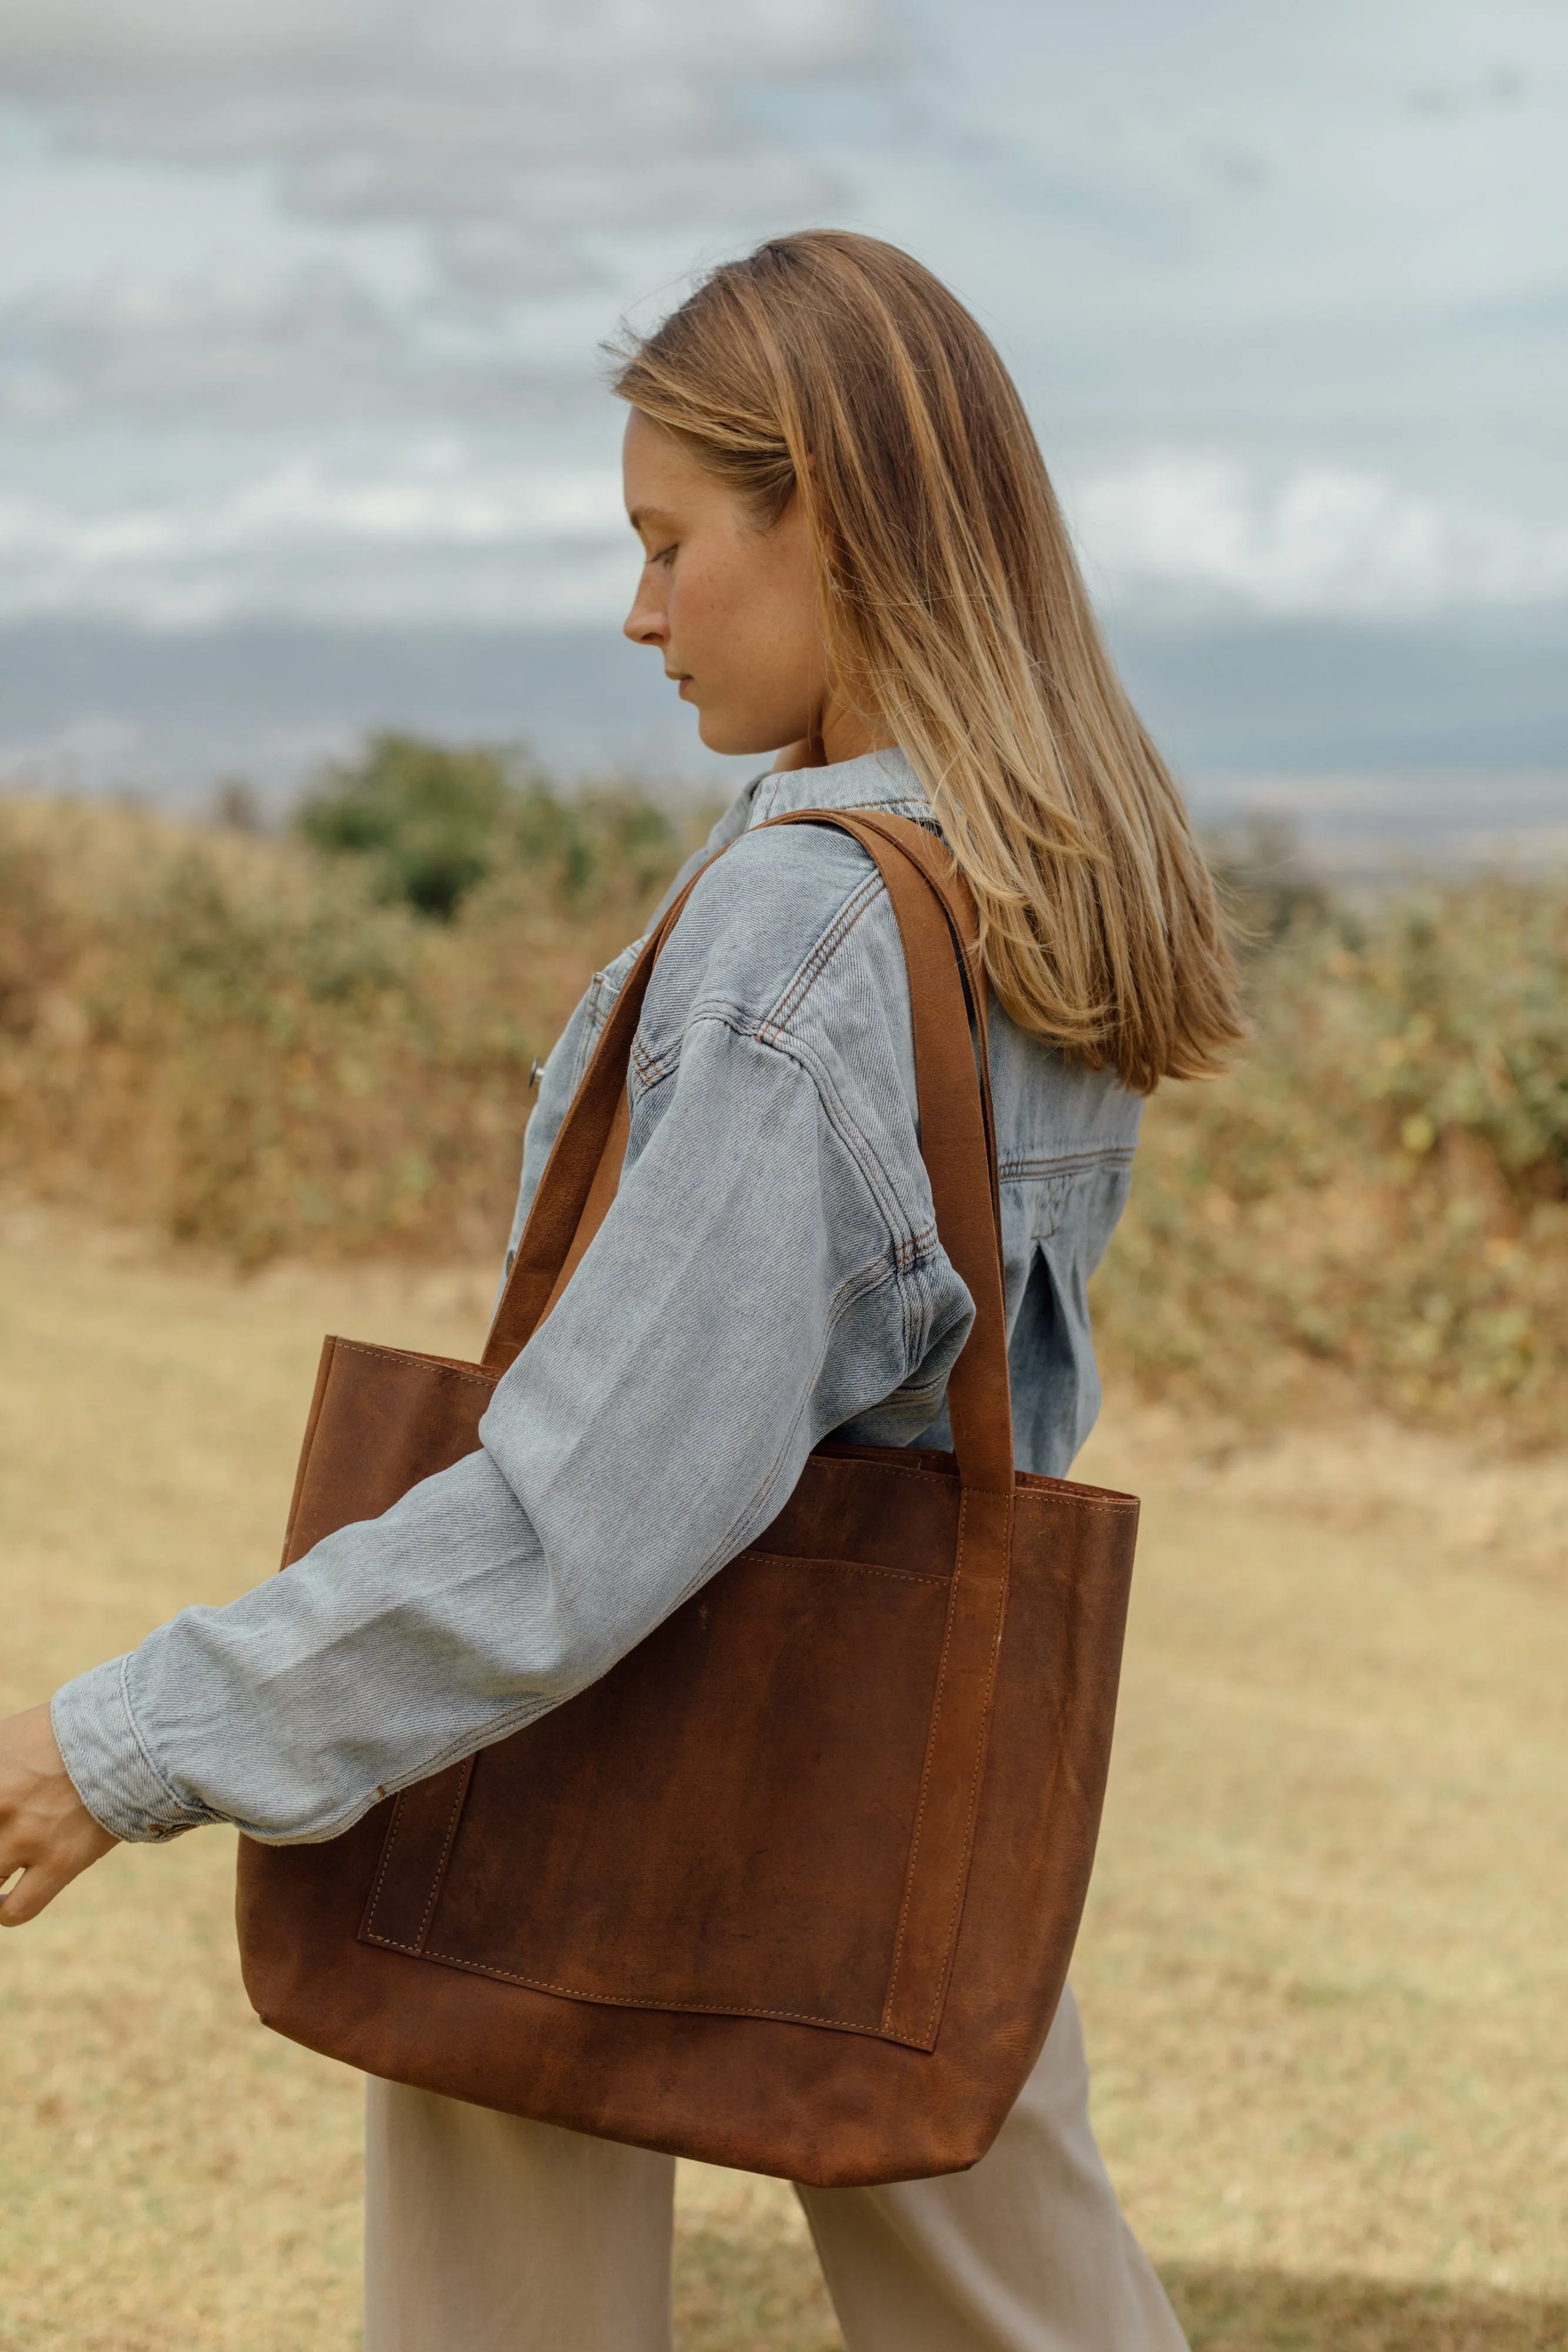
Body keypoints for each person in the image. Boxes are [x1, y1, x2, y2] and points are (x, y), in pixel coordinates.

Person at [0, 231, 1245, 2351]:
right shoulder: (1032, 874)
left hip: (587, 1729)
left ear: (829, 512)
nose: (642, 611)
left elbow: (585, 1525)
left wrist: (124, 1744)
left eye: (674, 543)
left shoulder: (808, 924)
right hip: (910, 1747)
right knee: (1023, 2289)